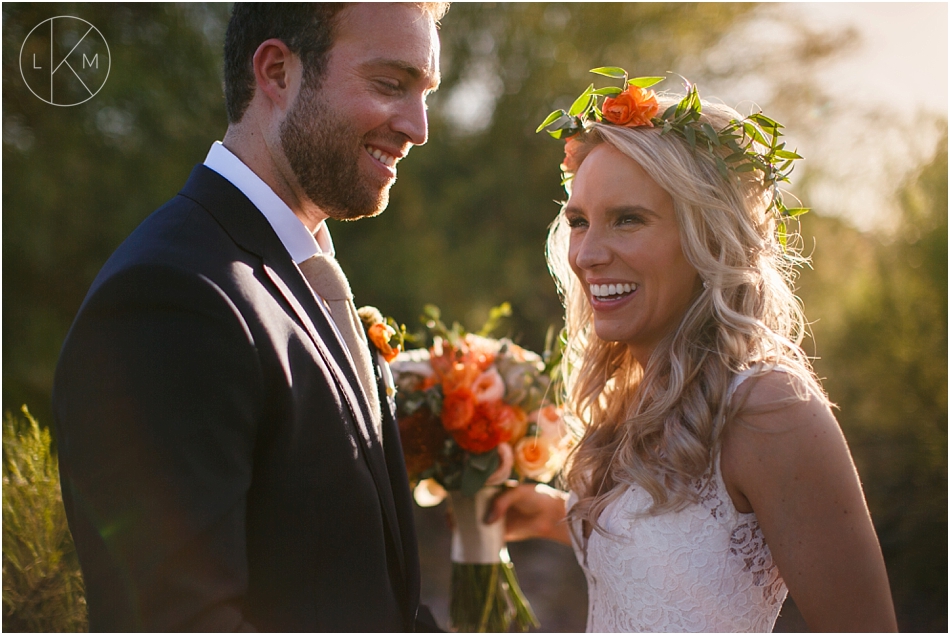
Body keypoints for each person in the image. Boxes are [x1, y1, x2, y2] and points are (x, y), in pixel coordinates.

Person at [52, 3, 448, 631]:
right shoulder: (172, 300)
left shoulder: (296, 273)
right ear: (276, 71)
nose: (419, 127)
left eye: (425, 92)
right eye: (389, 84)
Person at [488, 74, 898, 632]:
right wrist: (559, 515)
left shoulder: (769, 408)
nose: (586, 254)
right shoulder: (631, 390)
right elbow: (684, 552)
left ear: (705, 236)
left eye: (627, 219)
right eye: (579, 222)